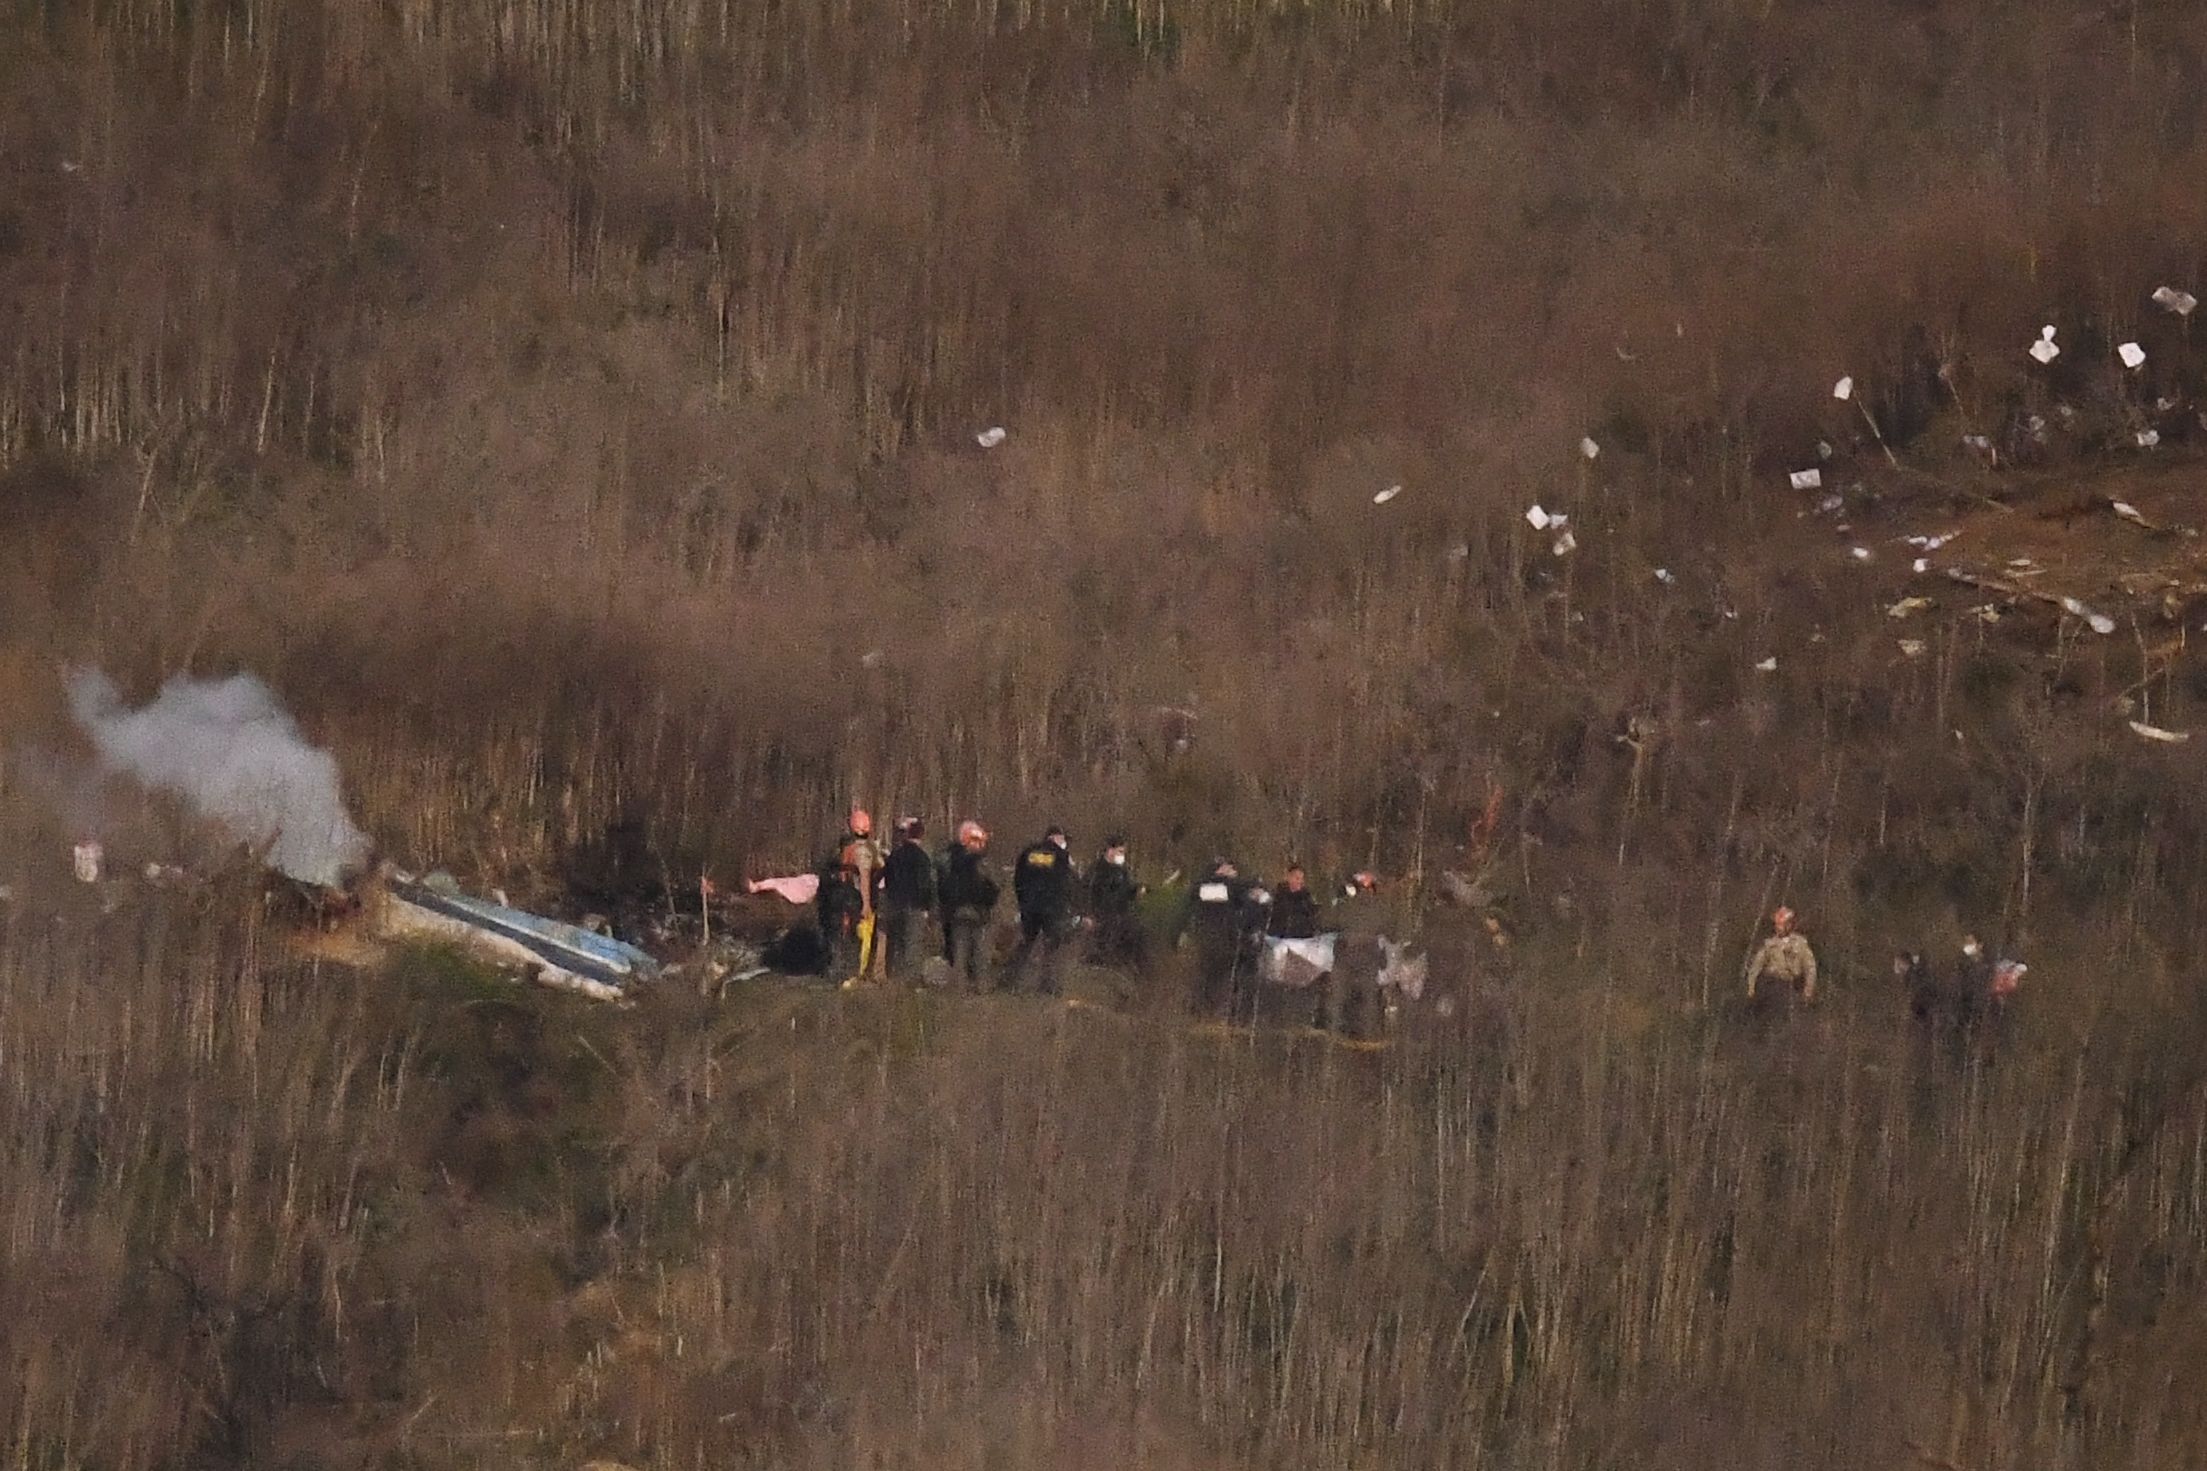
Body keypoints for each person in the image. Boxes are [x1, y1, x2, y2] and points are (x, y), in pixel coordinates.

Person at [1008, 825, 1078, 994]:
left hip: (1030, 907)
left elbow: (1018, 879)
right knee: (1052, 947)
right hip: (1052, 909)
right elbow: (1066, 884)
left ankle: (1010, 981)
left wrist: (1023, 902)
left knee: (1025, 944)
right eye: (1062, 839)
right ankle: (1048, 986)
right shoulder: (1062, 856)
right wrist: (1067, 906)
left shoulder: (1029, 852)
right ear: (1056, 838)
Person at [935, 820, 998, 990]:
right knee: (980, 951)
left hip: (956, 911)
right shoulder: (981, 862)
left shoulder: (949, 858)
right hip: (978, 911)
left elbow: (942, 885)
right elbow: (993, 886)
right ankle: (981, 986)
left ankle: (960, 987)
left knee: (959, 951)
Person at [877, 816, 936, 983]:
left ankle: (892, 977)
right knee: (912, 945)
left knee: (894, 944)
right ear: (921, 835)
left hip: (894, 904)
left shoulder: (894, 856)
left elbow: (887, 879)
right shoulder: (922, 858)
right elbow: (925, 884)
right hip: (914, 907)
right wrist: (927, 908)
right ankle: (909, 981)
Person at [1326, 871, 1385, 1036]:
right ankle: (1367, 1034)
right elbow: (1392, 931)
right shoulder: (1381, 907)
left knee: (1337, 996)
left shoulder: (1345, 905)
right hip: (1369, 956)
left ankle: (1334, 1032)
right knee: (1369, 998)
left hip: (1345, 954)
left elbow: (1327, 922)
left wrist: (1338, 899)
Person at [837, 808, 886, 977]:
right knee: (864, 937)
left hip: (847, 898)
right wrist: (866, 904)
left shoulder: (846, 850)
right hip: (863, 899)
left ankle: (848, 971)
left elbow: (843, 876)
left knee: (850, 935)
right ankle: (858, 973)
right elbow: (865, 877)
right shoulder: (866, 850)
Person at [1086, 834, 1146, 967]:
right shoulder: (1097, 870)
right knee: (1104, 946)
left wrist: (1136, 890)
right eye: (1120, 851)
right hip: (1102, 916)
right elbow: (1088, 893)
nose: (1122, 855)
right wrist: (1089, 915)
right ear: (1110, 851)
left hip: (1120, 915)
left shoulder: (1121, 871)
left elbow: (1126, 890)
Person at [1744, 905, 1818, 1011]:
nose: (1778, 928)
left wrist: (1808, 991)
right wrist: (1750, 988)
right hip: (1771, 986)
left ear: (1789, 925)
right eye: (1777, 925)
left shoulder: (1800, 944)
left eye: (1781, 925)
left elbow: (1810, 968)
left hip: (1792, 987)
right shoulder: (1769, 945)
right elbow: (1756, 966)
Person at [815, 847, 866, 982]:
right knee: (837, 944)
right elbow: (846, 900)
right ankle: (837, 973)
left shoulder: (827, 881)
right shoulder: (838, 885)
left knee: (832, 943)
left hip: (830, 916)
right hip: (837, 916)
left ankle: (834, 971)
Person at [1268, 864, 1320, 940]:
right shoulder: (1277, 895)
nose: (1300, 881)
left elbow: (1312, 920)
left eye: (1302, 879)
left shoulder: (1306, 898)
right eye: (1297, 878)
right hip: (1279, 939)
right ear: (1289, 877)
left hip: (1303, 940)